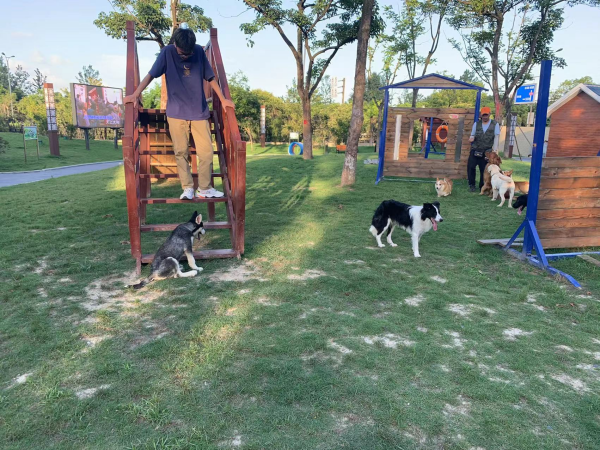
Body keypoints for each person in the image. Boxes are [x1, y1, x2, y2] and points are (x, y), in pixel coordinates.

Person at [124, 25, 235, 200]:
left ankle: (204, 188)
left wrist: (223, 99)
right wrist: (135, 94)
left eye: (188, 54)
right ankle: (188, 188)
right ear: (175, 44)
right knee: (181, 152)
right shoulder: (167, 52)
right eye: (182, 53)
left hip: (199, 111)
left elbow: (211, 77)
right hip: (176, 112)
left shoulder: (198, 52)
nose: (185, 56)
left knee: (206, 152)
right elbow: (151, 75)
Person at [467, 106, 500, 192]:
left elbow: (496, 137)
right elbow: (472, 135)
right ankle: (472, 185)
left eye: (486, 115)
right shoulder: (476, 124)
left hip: (487, 151)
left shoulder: (495, 124)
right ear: (481, 115)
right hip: (475, 149)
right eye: (483, 115)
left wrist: (495, 150)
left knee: (484, 169)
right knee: (471, 167)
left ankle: (482, 185)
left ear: (489, 114)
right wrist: (471, 138)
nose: (485, 117)